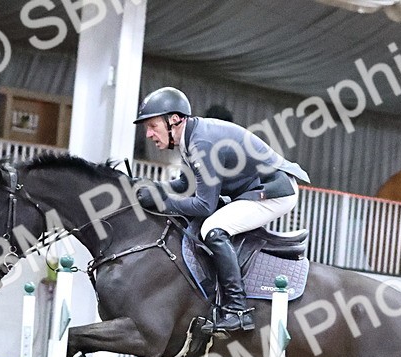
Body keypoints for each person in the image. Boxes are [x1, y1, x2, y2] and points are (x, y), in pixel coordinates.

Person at [132, 87, 310, 336]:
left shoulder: (201, 143)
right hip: (255, 188)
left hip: (273, 193)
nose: (148, 134)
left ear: (173, 120)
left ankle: (237, 310)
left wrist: (160, 202)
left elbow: (204, 206)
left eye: (152, 126)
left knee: (213, 229)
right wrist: (154, 188)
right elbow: (184, 185)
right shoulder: (190, 137)